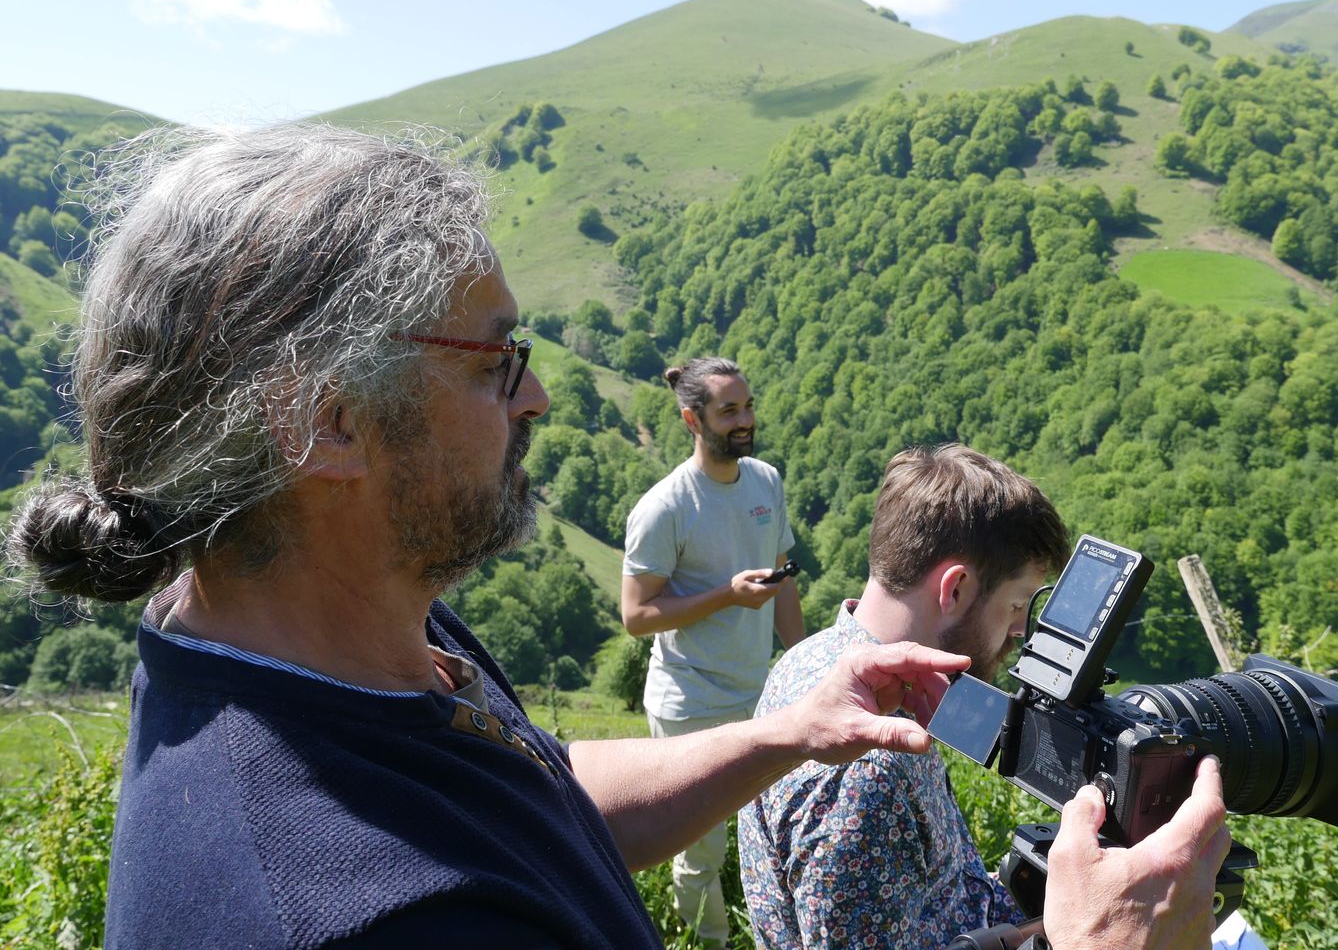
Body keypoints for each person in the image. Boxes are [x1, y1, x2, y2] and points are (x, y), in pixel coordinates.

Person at [6, 124, 1225, 950]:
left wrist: (783, 733)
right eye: (496, 362)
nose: (536, 399)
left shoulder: (331, 633)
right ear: (328, 421)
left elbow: (527, 790)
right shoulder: (375, 912)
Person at [740, 444, 1241, 950]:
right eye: (1017, 604)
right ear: (954, 589)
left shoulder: (815, 661)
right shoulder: (868, 765)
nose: (1021, 631)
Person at [621, 357, 804, 945]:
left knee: (777, 828)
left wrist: (804, 665)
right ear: (691, 419)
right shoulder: (666, 507)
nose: (745, 420)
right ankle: (709, 943)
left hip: (760, 692)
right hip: (691, 702)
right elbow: (636, 616)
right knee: (699, 850)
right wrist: (726, 596)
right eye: (729, 411)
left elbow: (783, 580)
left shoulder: (765, 481)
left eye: (748, 406)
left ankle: (782, 934)